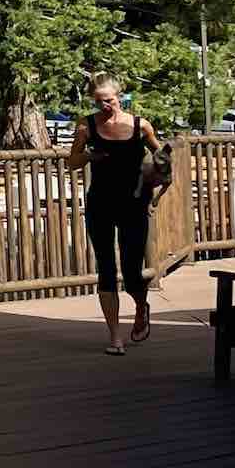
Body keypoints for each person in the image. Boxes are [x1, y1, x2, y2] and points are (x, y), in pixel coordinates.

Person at [67, 72, 158, 355]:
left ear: (119, 96)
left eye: (109, 100)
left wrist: (159, 173)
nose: (105, 106)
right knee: (106, 268)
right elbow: (72, 161)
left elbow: (163, 154)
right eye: (99, 101)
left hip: (133, 203)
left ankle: (141, 306)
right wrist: (89, 157)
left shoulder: (140, 126)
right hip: (100, 203)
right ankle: (115, 337)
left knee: (132, 270)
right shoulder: (86, 126)